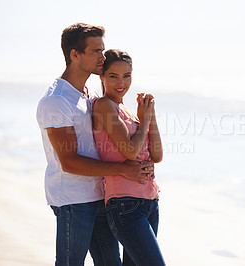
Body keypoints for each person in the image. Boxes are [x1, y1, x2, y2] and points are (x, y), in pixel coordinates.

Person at [36, 23, 154, 266]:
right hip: (72, 200)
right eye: (96, 51)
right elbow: (68, 162)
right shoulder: (57, 100)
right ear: (74, 55)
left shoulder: (85, 94)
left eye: (103, 49)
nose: (103, 56)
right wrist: (124, 169)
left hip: (99, 195)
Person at [92, 49, 166, 266]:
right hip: (124, 204)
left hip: (150, 201)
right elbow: (130, 151)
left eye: (127, 75)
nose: (121, 82)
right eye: (113, 76)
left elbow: (158, 155)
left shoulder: (129, 112)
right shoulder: (104, 105)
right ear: (102, 77)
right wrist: (143, 122)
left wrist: (150, 116)